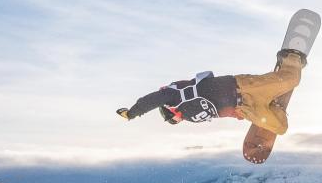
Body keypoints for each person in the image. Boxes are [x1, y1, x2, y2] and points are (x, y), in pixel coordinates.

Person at [118, 47, 308, 164]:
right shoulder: (190, 116)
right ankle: (272, 105)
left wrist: (133, 113)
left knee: (292, 78)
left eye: (173, 120)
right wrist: (235, 114)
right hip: (245, 108)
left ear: (169, 112)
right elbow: (216, 110)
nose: (177, 121)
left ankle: (289, 57)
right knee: (281, 128)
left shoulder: (172, 96)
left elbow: (152, 99)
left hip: (242, 87)